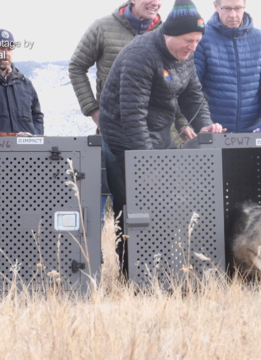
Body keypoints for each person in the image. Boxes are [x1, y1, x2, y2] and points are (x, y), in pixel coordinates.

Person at [99, 0, 226, 272]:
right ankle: (130, 273)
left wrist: (207, 124)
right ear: (169, 34)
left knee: (165, 206)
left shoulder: (185, 56)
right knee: (133, 208)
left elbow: (194, 97)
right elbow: (132, 116)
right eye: (188, 40)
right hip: (124, 139)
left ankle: (162, 270)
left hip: (158, 135)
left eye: (197, 40)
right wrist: (148, 164)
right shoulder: (141, 55)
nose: (193, 47)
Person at [69, 0, 193, 226]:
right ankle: (126, 257)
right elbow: (76, 66)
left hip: (157, 133)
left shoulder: (168, 33)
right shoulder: (102, 27)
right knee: (125, 201)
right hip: (118, 130)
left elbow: (175, 87)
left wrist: (182, 124)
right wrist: (92, 110)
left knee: (162, 201)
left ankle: (157, 259)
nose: (155, 2)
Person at [194, 0, 261, 132]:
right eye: (227, 9)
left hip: (253, 134)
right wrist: (204, 124)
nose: (233, 15)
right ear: (216, 6)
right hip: (214, 133)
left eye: (238, 8)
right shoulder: (202, 39)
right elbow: (193, 87)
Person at [0, 29, 43, 135]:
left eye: (10, 49)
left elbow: (37, 116)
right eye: (1, 48)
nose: (6, 53)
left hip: (28, 150)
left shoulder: (25, 84)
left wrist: (36, 136)